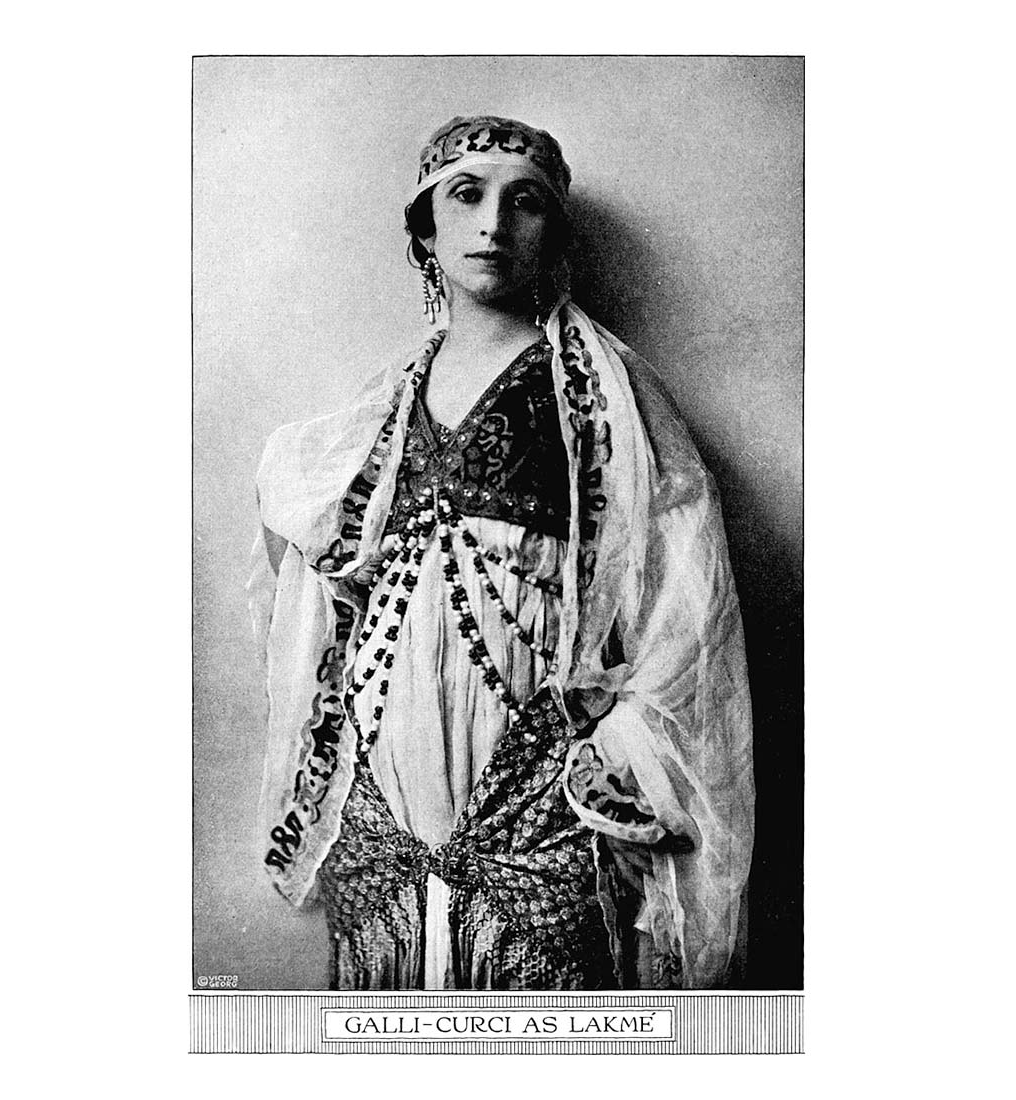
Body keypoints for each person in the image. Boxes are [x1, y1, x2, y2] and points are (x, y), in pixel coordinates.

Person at [248, 116, 754, 990]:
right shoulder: (388, 401)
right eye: (466, 197)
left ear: (552, 233)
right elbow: (314, 535)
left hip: (535, 762)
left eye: (523, 204)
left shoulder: (602, 390)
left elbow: (683, 590)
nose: (491, 225)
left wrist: (621, 743)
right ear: (425, 230)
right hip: (386, 761)